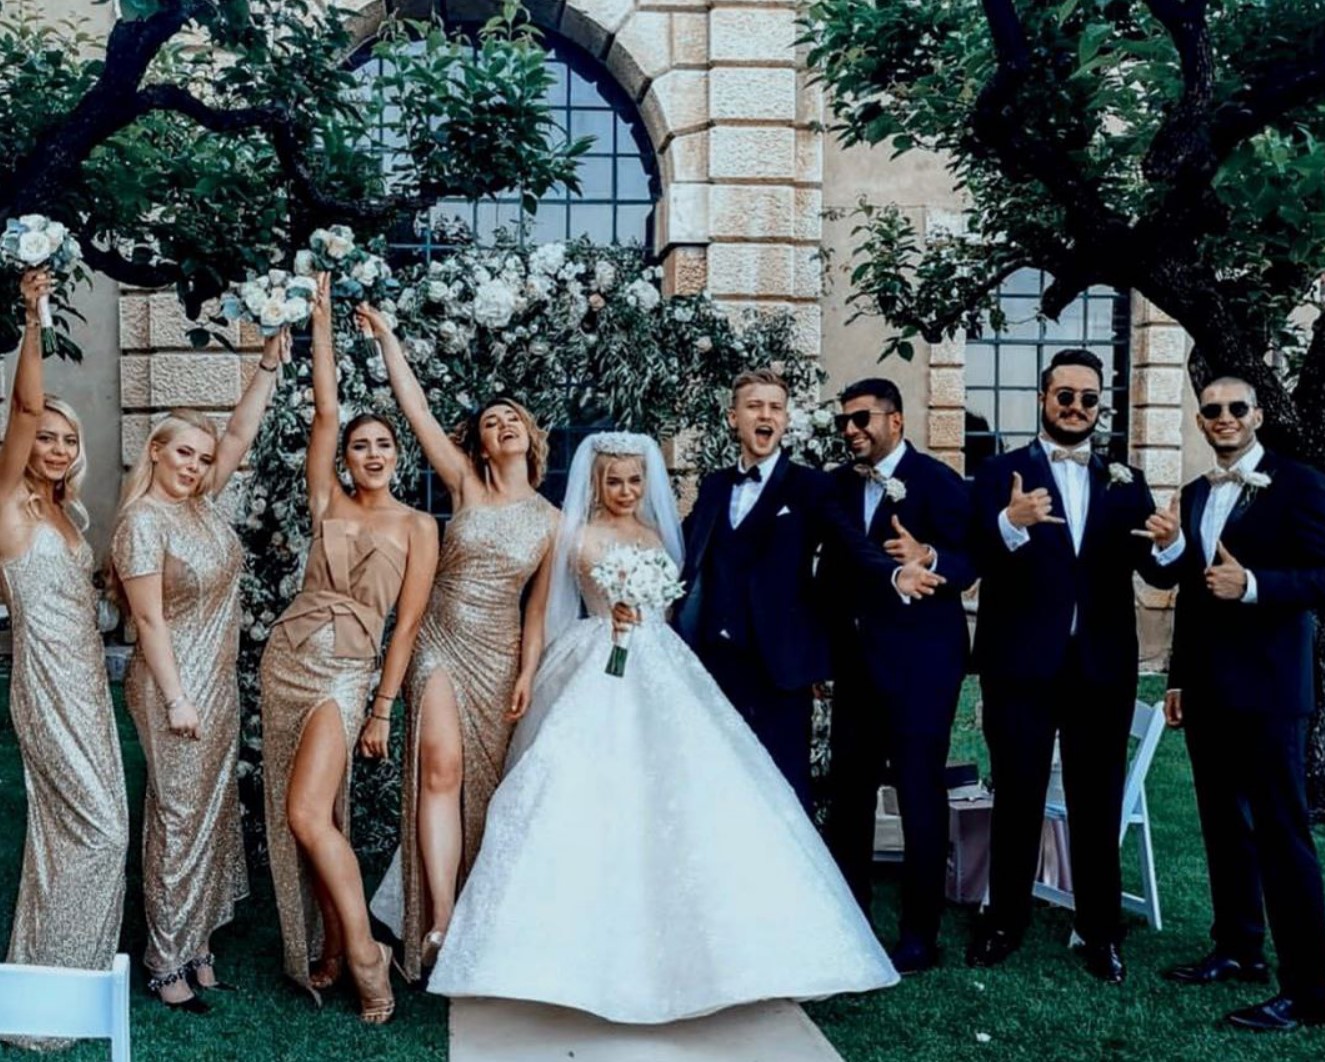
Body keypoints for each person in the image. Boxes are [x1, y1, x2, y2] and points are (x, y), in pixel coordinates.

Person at [426, 432, 899, 1021]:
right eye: (614, 481)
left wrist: (653, 612)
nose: (626, 491)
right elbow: (545, 607)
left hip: (662, 662)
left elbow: (679, 603)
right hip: (598, 657)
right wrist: (543, 661)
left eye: (634, 480)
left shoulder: (660, 533)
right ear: (595, 483)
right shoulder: (573, 534)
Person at [966, 348, 1181, 983]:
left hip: (1100, 669)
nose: (1077, 408)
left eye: (1089, 399)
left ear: (1099, 406)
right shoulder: (999, 472)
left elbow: (1154, 572)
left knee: (1097, 801)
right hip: (1019, 667)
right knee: (1017, 796)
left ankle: (1100, 930)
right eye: (1066, 396)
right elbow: (972, 556)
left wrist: (1172, 546)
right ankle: (1004, 922)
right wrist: (1010, 523)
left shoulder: (1124, 480)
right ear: (1043, 398)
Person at [261, 277, 438, 1023]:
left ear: (398, 455)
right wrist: (322, 322)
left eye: (382, 444)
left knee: (307, 813)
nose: (369, 452)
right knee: (310, 817)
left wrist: (382, 709)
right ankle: (334, 946)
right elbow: (326, 411)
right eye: (361, 446)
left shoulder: (419, 527)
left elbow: (407, 625)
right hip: (288, 661)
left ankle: (366, 956)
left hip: (346, 673)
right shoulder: (327, 499)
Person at [365, 307, 558, 984]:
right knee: (440, 769)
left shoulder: (553, 521)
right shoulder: (465, 485)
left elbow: (538, 611)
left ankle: (481, 914)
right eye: (490, 422)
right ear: (478, 444)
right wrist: (389, 339)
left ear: (528, 434)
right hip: (441, 640)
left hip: (499, 655)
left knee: (486, 789)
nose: (502, 425)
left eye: (512, 418)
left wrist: (528, 672)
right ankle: (441, 922)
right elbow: (415, 410)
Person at [109, 326, 289, 1011]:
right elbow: (149, 620)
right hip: (174, 685)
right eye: (182, 451)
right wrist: (176, 697)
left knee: (212, 814)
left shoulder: (199, 503)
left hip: (216, 681)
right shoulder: (143, 522)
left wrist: (266, 365)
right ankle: (165, 958)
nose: (194, 465)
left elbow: (238, 433)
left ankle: (198, 943)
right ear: (155, 451)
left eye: (202, 457)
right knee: (179, 817)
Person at [675, 368, 935, 809]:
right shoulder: (715, 485)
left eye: (775, 408)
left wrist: (893, 574)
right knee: (717, 787)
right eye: (755, 406)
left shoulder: (809, 485)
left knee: (784, 790)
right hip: (716, 661)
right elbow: (684, 551)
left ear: (785, 419)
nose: (766, 415)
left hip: (781, 666)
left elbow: (849, 543)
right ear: (733, 418)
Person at [1158, 375, 1325, 1031]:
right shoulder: (1195, 493)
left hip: (1269, 690)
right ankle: (1238, 948)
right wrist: (1177, 678)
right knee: (1222, 826)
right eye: (1211, 410)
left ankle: (1308, 990)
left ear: (1256, 415)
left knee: (1282, 835)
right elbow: (1192, 594)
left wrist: (1254, 584)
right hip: (1207, 690)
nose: (1223, 417)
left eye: (1236, 407)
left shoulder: (1300, 484)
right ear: (1201, 420)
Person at [1, 270, 129, 1044]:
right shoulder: (5, 504)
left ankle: (58, 993)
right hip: (46, 684)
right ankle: (48, 1000)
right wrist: (33, 316)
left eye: (67, 439)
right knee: (100, 831)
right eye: (45, 437)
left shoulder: (66, 514)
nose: (55, 447)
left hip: (88, 686)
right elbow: (21, 407)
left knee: (71, 832)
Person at [819, 377, 975, 973]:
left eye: (862, 419)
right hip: (855, 665)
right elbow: (833, 575)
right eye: (845, 421)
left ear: (896, 421)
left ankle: (919, 935)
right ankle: (848, 918)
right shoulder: (837, 485)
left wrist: (928, 556)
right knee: (849, 795)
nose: (851, 430)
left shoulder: (937, 481)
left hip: (922, 668)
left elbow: (970, 562)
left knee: (918, 794)